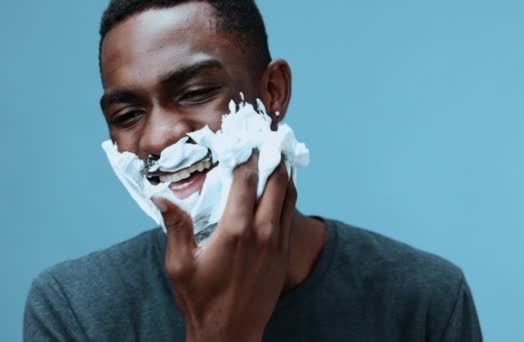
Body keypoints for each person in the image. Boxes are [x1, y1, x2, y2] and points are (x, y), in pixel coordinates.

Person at [23, 1, 483, 341]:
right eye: (127, 116)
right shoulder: (73, 310)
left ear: (274, 92)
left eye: (197, 91)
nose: (157, 138)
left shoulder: (423, 300)